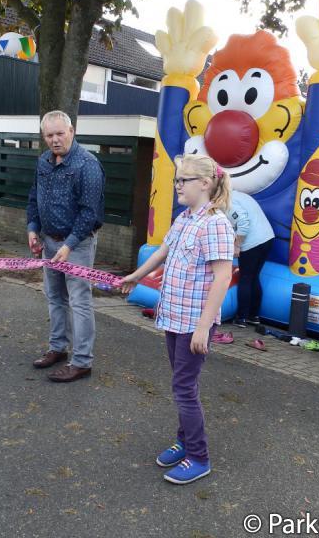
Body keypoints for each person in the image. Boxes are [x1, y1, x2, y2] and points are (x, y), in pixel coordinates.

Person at [121, 154, 234, 485]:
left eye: (183, 180)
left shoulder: (215, 224)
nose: (177, 185)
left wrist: (204, 327)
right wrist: (135, 277)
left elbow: (223, 277)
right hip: (174, 317)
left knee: (184, 388)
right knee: (183, 383)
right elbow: (162, 252)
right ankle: (184, 442)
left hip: (194, 323)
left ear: (205, 183)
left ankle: (199, 457)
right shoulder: (185, 218)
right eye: (176, 180)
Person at [27, 110, 105, 383]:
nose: (55, 140)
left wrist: (69, 245)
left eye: (60, 133)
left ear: (71, 131)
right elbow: (34, 197)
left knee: (80, 301)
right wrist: (33, 229)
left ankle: (82, 362)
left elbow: (89, 212)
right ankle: (58, 348)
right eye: (49, 135)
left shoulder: (87, 165)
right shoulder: (43, 162)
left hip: (78, 245)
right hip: (49, 242)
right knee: (54, 296)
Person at [228, 190, 275, 328]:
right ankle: (253, 316)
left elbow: (243, 222)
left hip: (252, 242)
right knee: (253, 277)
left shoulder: (227, 201)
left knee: (246, 277)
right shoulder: (239, 194)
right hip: (267, 238)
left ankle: (241, 317)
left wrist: (237, 245)